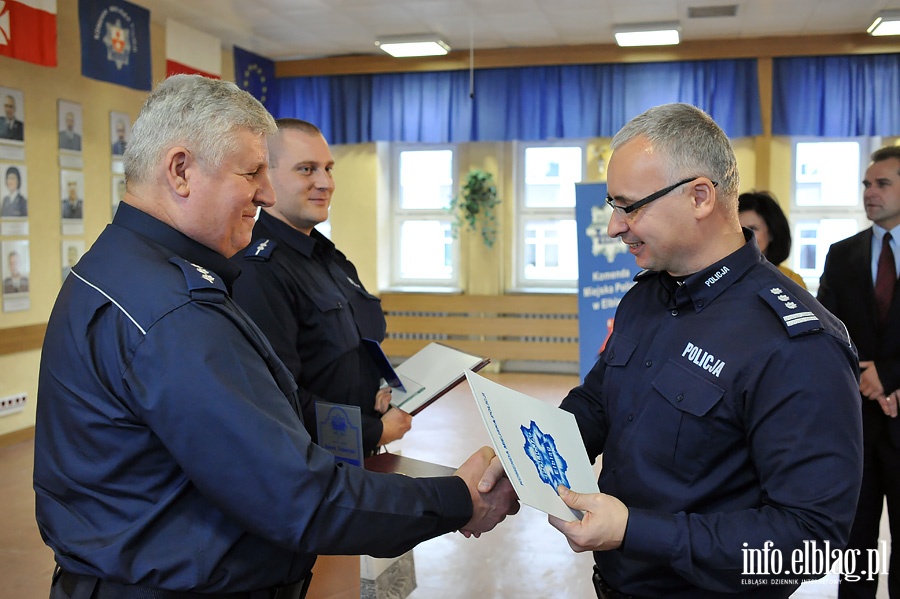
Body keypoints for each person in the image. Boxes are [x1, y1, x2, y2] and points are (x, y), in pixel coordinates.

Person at [34, 74, 519, 599]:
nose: (265, 194)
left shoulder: (116, 266)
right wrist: (456, 497)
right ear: (180, 171)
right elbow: (297, 496)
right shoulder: (174, 312)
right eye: (252, 172)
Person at [545, 103, 862, 598]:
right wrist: (524, 452)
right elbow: (597, 402)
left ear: (699, 197)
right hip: (615, 583)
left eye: (630, 206)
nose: (614, 227)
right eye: (613, 205)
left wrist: (635, 531)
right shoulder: (646, 296)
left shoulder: (796, 343)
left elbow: (809, 539)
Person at [232, 118, 408, 456]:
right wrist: (372, 432)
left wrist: (378, 392)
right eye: (306, 169)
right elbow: (279, 395)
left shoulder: (329, 257)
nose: (324, 182)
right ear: (265, 176)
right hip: (315, 466)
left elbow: (354, 351)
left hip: (358, 454)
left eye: (328, 168)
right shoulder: (259, 270)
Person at [818, 145, 900, 599]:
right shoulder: (842, 254)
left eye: (882, 183)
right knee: (857, 547)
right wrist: (868, 378)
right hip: (858, 428)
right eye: (867, 184)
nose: (870, 192)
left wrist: (888, 375)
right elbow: (825, 334)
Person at [738, 190, 806, 288]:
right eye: (738, 228)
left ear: (771, 234)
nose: (744, 234)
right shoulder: (718, 276)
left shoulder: (791, 280)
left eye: (753, 228)